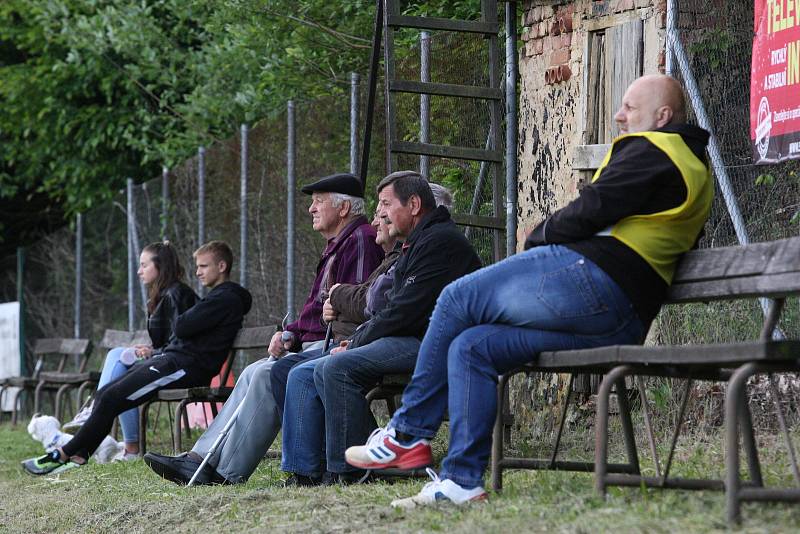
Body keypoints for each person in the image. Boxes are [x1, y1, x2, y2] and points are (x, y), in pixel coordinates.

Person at [344, 74, 715, 508]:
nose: (619, 116)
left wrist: (540, 234)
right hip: (621, 320)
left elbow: (594, 207)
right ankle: (461, 482)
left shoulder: (655, 147)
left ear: (662, 116)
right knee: (470, 347)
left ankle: (406, 434)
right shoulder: (694, 168)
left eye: (630, 108)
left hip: (592, 282)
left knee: (457, 298)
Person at [142, 172, 384, 485]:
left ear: (343, 208)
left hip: (337, 344)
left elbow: (354, 305)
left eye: (319, 202)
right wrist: (291, 333)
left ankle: (223, 472)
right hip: (313, 342)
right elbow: (316, 308)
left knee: (265, 374)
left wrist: (322, 339)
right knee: (251, 372)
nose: (311, 209)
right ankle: (199, 459)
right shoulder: (337, 245)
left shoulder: (360, 239)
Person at [280, 171, 482, 486]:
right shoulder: (417, 242)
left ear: (414, 204)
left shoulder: (439, 241)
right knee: (311, 371)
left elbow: (404, 312)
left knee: (335, 367)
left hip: (434, 344)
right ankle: (309, 471)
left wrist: (356, 341)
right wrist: (358, 339)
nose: (382, 213)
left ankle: (357, 468)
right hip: (413, 337)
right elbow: (394, 309)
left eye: (386, 204)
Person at [22, 240, 252, 475]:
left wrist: (177, 334)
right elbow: (184, 330)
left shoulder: (226, 298)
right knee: (105, 394)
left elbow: (181, 327)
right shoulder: (216, 298)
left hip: (184, 366)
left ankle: (63, 454)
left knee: (112, 397)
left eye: (203, 266)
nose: (197, 272)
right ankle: (79, 454)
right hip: (172, 360)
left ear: (221, 266)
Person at [63, 241, 198, 459]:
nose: (139, 270)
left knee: (118, 361)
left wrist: (153, 353)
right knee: (117, 355)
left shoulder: (177, 294)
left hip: (181, 368)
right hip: (168, 362)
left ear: (160, 267)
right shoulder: (161, 295)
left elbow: (183, 342)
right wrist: (151, 350)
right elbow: (172, 341)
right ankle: (124, 441)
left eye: (144, 265)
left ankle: (98, 414)